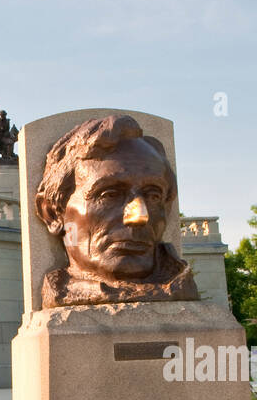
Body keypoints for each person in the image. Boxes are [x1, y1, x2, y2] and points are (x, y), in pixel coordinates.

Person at [35, 114, 198, 306]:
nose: (139, 216)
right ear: (52, 213)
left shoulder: (181, 288)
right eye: (109, 195)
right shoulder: (61, 290)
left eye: (153, 196)